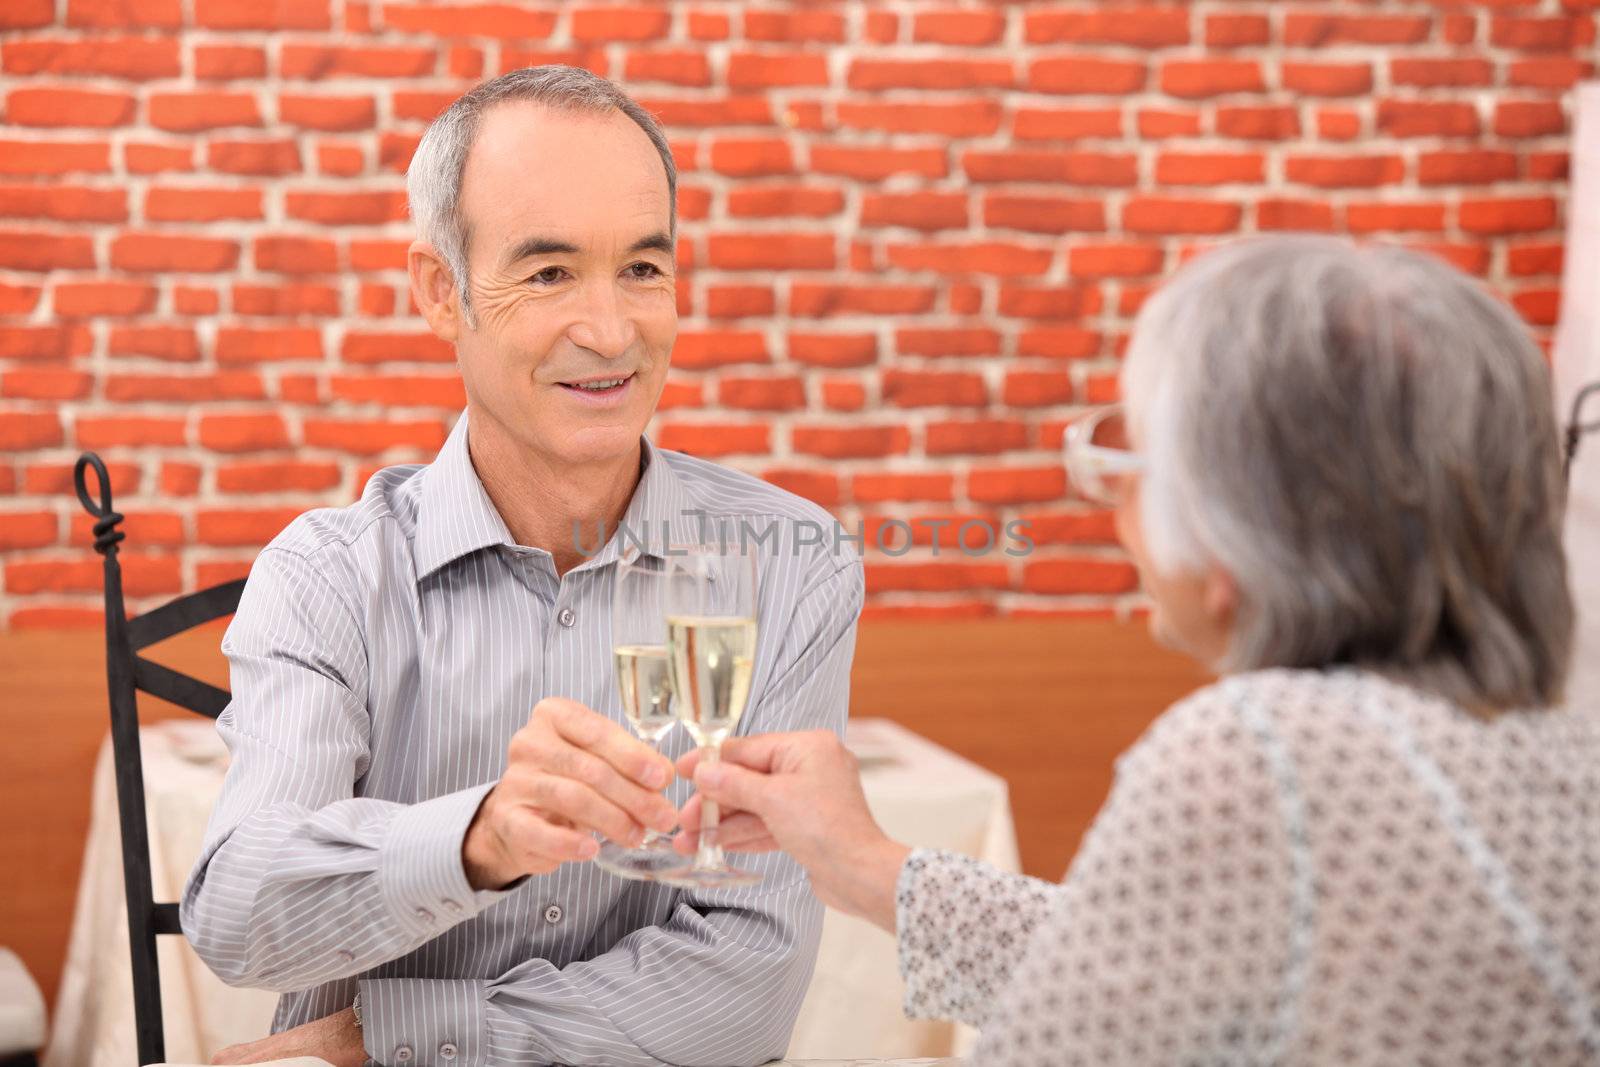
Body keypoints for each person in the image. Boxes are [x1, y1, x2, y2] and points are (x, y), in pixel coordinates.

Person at [676, 236, 1600, 1065]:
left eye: (1144, 462)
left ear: (1244, 527)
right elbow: (1151, 961)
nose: (1117, 511)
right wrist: (865, 863)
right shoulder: (1560, 743)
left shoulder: (1261, 753)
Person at [181, 66, 863, 1067]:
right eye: (548, 273)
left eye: (642, 267)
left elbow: (747, 980)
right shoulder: (329, 576)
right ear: (439, 292)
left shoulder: (789, 566)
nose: (611, 329)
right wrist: (477, 841)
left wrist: (392, 1035)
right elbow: (240, 913)